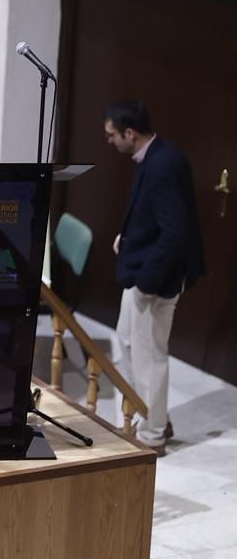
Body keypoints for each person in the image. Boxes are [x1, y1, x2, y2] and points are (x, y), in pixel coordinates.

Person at [105, 100, 204, 455]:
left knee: (146, 355)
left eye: (113, 135)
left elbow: (175, 232)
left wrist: (146, 281)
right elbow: (157, 217)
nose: (110, 141)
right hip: (149, 272)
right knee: (135, 346)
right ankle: (155, 416)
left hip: (153, 282)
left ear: (130, 133)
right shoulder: (161, 154)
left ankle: (151, 435)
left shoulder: (161, 164)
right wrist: (128, 237)